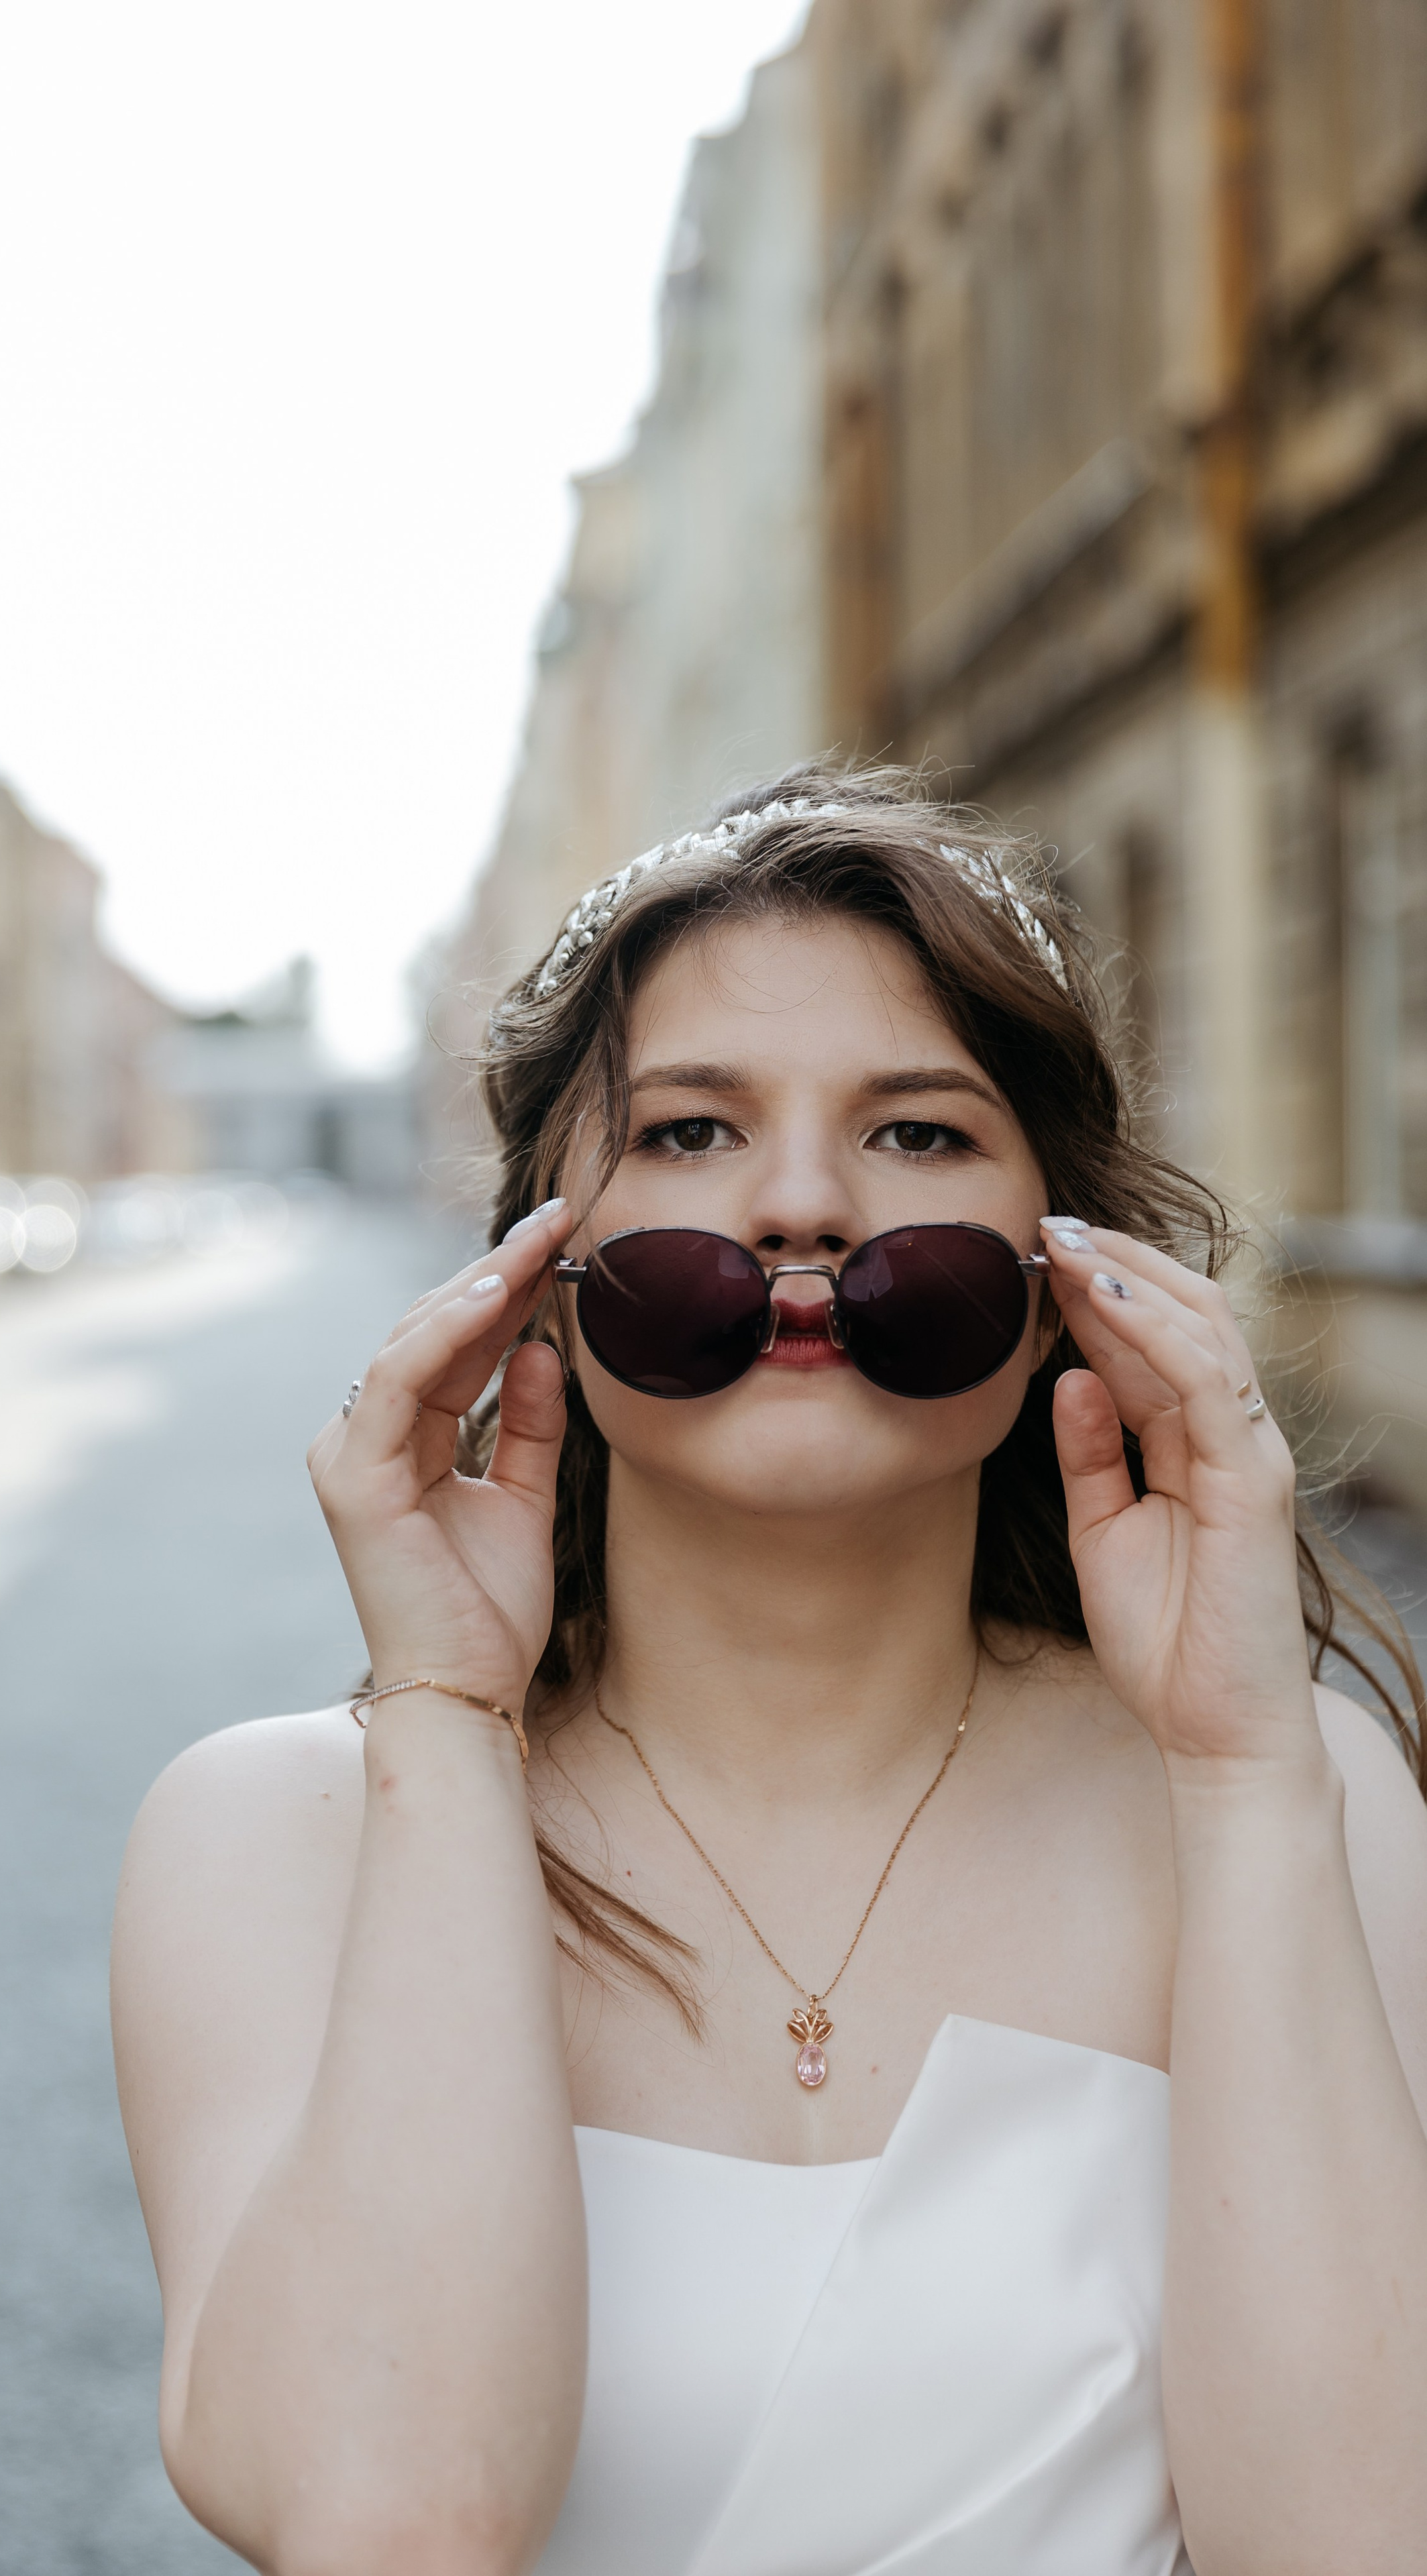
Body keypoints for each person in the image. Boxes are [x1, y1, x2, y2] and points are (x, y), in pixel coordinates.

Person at [111, 765, 1427, 2576]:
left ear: (1070, 1277)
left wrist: (1239, 1770)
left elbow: (1360, 2543)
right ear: (530, 1272)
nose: (803, 1204)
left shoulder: (1306, 1793)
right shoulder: (274, 1835)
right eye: (689, 1133)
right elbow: (394, 2520)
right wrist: (441, 1717)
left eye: (919, 1133)